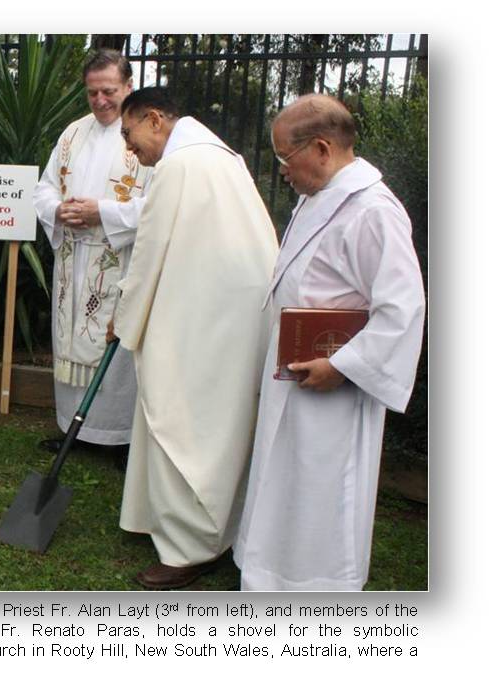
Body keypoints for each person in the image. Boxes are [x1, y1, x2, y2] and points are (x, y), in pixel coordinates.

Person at [233, 95, 425, 591]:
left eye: (284, 158)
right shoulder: (319, 196)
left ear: (320, 148)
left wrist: (342, 366)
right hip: (295, 368)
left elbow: (403, 308)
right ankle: (269, 572)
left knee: (322, 483)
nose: (282, 171)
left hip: (333, 382)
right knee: (284, 475)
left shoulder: (373, 211)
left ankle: (318, 586)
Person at [109, 87, 278, 589]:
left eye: (129, 133)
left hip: (201, 319)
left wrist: (125, 315)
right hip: (232, 313)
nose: (129, 149)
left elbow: (150, 250)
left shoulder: (178, 167)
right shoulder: (225, 158)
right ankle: (178, 523)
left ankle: (189, 548)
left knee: (181, 421)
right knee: (215, 426)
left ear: (156, 120)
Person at [31, 49, 150, 468]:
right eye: (92, 92)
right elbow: (44, 188)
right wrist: (58, 210)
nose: (100, 101)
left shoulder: (146, 135)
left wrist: (102, 211)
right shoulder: (72, 134)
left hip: (118, 260)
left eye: (109, 91)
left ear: (129, 86)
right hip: (73, 260)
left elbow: (158, 205)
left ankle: (119, 437)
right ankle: (73, 428)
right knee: (70, 336)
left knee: (114, 345)